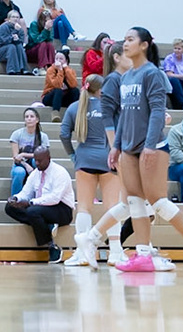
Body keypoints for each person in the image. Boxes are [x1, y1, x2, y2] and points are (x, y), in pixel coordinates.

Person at [74, 26, 183, 273]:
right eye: (125, 39)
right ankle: (142, 255)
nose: (125, 43)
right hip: (128, 148)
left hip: (152, 147)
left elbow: (158, 111)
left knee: (157, 201)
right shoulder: (125, 78)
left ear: (144, 45)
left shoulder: (152, 74)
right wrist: (116, 146)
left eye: (130, 39)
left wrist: (149, 145)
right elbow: (124, 117)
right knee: (134, 201)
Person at [61, 65, 124, 268]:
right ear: (101, 90)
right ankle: (115, 252)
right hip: (108, 160)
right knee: (112, 207)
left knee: (84, 207)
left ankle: (82, 253)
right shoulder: (110, 107)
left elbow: (63, 134)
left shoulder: (74, 107)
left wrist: (72, 155)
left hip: (84, 160)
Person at [5, 145, 75, 260]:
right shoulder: (35, 173)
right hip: (41, 207)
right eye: (35, 160)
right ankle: (47, 226)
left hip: (62, 209)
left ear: (48, 158)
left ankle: (51, 245)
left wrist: (30, 203)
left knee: (33, 211)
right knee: (9, 208)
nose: (37, 163)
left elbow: (54, 198)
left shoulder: (60, 173)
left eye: (40, 161)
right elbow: (26, 192)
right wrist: (16, 198)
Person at [10, 106, 48, 195]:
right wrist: (26, 165)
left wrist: (23, 154)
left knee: (36, 160)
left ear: (37, 120)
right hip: (20, 164)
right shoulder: (17, 134)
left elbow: (44, 156)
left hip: (37, 165)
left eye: (32, 116)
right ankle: (16, 199)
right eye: (27, 117)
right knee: (19, 172)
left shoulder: (43, 136)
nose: (29, 119)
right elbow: (16, 157)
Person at [40, 47, 78, 115]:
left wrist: (66, 69)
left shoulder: (70, 70)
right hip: (50, 97)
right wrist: (60, 70)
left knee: (75, 91)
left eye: (61, 59)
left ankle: (75, 113)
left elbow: (73, 85)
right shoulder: (50, 70)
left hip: (63, 98)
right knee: (58, 90)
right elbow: (57, 85)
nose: (58, 61)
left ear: (66, 61)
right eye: (56, 58)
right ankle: (55, 114)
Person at [0, 10, 29, 75]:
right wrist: (14, 34)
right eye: (13, 17)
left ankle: (23, 69)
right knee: (11, 47)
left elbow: (21, 42)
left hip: (13, 51)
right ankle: (11, 69)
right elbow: (4, 41)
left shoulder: (20, 29)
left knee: (19, 46)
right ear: (9, 19)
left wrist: (17, 40)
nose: (15, 19)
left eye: (17, 17)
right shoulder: (3, 27)